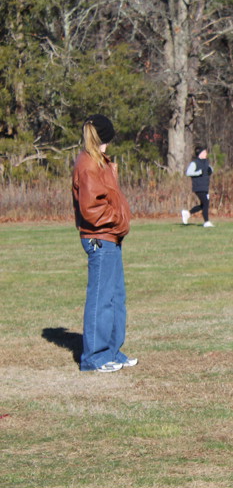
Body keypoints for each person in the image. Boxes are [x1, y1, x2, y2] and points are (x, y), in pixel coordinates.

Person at [72, 114, 138, 373]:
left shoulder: (99, 162)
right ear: (105, 136)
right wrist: (119, 220)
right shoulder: (88, 164)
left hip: (110, 237)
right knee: (101, 297)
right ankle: (94, 357)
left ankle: (111, 351)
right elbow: (91, 209)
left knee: (115, 297)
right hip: (100, 237)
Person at [181, 146, 214, 227]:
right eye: (204, 152)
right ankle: (206, 222)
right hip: (198, 187)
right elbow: (188, 173)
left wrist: (210, 170)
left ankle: (188, 213)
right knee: (206, 203)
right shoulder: (194, 163)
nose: (206, 154)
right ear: (200, 154)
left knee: (203, 205)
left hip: (205, 187)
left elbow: (210, 169)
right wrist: (199, 172)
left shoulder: (206, 162)